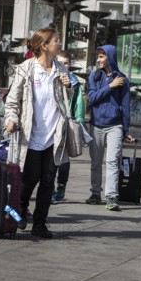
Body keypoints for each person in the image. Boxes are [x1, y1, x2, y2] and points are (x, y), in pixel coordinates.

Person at [4, 27, 72, 239]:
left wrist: (69, 87)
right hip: (31, 135)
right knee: (29, 179)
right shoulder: (26, 69)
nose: (59, 44)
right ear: (44, 46)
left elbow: (67, 101)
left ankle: (40, 224)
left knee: (48, 182)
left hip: (54, 135)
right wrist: (11, 119)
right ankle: (19, 211)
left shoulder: (61, 69)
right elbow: (12, 100)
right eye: (56, 41)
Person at [85, 45, 134, 212]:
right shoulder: (95, 77)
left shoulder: (123, 80)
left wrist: (126, 130)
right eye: (98, 57)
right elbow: (91, 98)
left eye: (101, 57)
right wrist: (110, 86)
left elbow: (125, 106)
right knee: (96, 162)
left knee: (113, 162)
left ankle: (111, 197)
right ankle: (95, 193)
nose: (98, 60)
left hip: (115, 126)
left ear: (110, 57)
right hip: (96, 125)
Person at [51, 50, 85, 203]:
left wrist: (79, 122)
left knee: (63, 161)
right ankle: (49, 189)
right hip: (51, 124)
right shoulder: (50, 78)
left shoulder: (75, 82)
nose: (63, 65)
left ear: (70, 64)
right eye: (61, 62)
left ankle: (61, 185)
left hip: (67, 124)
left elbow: (79, 103)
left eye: (66, 63)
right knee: (50, 160)